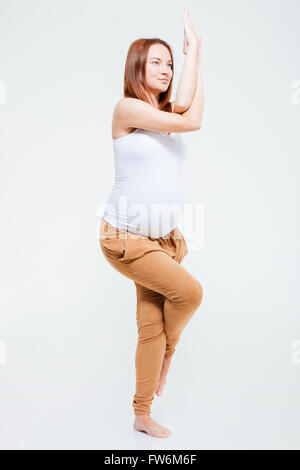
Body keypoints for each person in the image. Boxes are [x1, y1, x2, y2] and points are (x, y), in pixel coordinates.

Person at [99, 8, 204, 438]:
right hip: (125, 238)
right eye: (156, 62)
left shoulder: (167, 116)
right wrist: (194, 50)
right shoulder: (127, 110)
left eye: (171, 63)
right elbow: (192, 119)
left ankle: (142, 414)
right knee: (190, 293)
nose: (166, 69)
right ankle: (168, 359)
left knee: (151, 326)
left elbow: (189, 108)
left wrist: (196, 60)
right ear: (136, 66)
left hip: (166, 240)